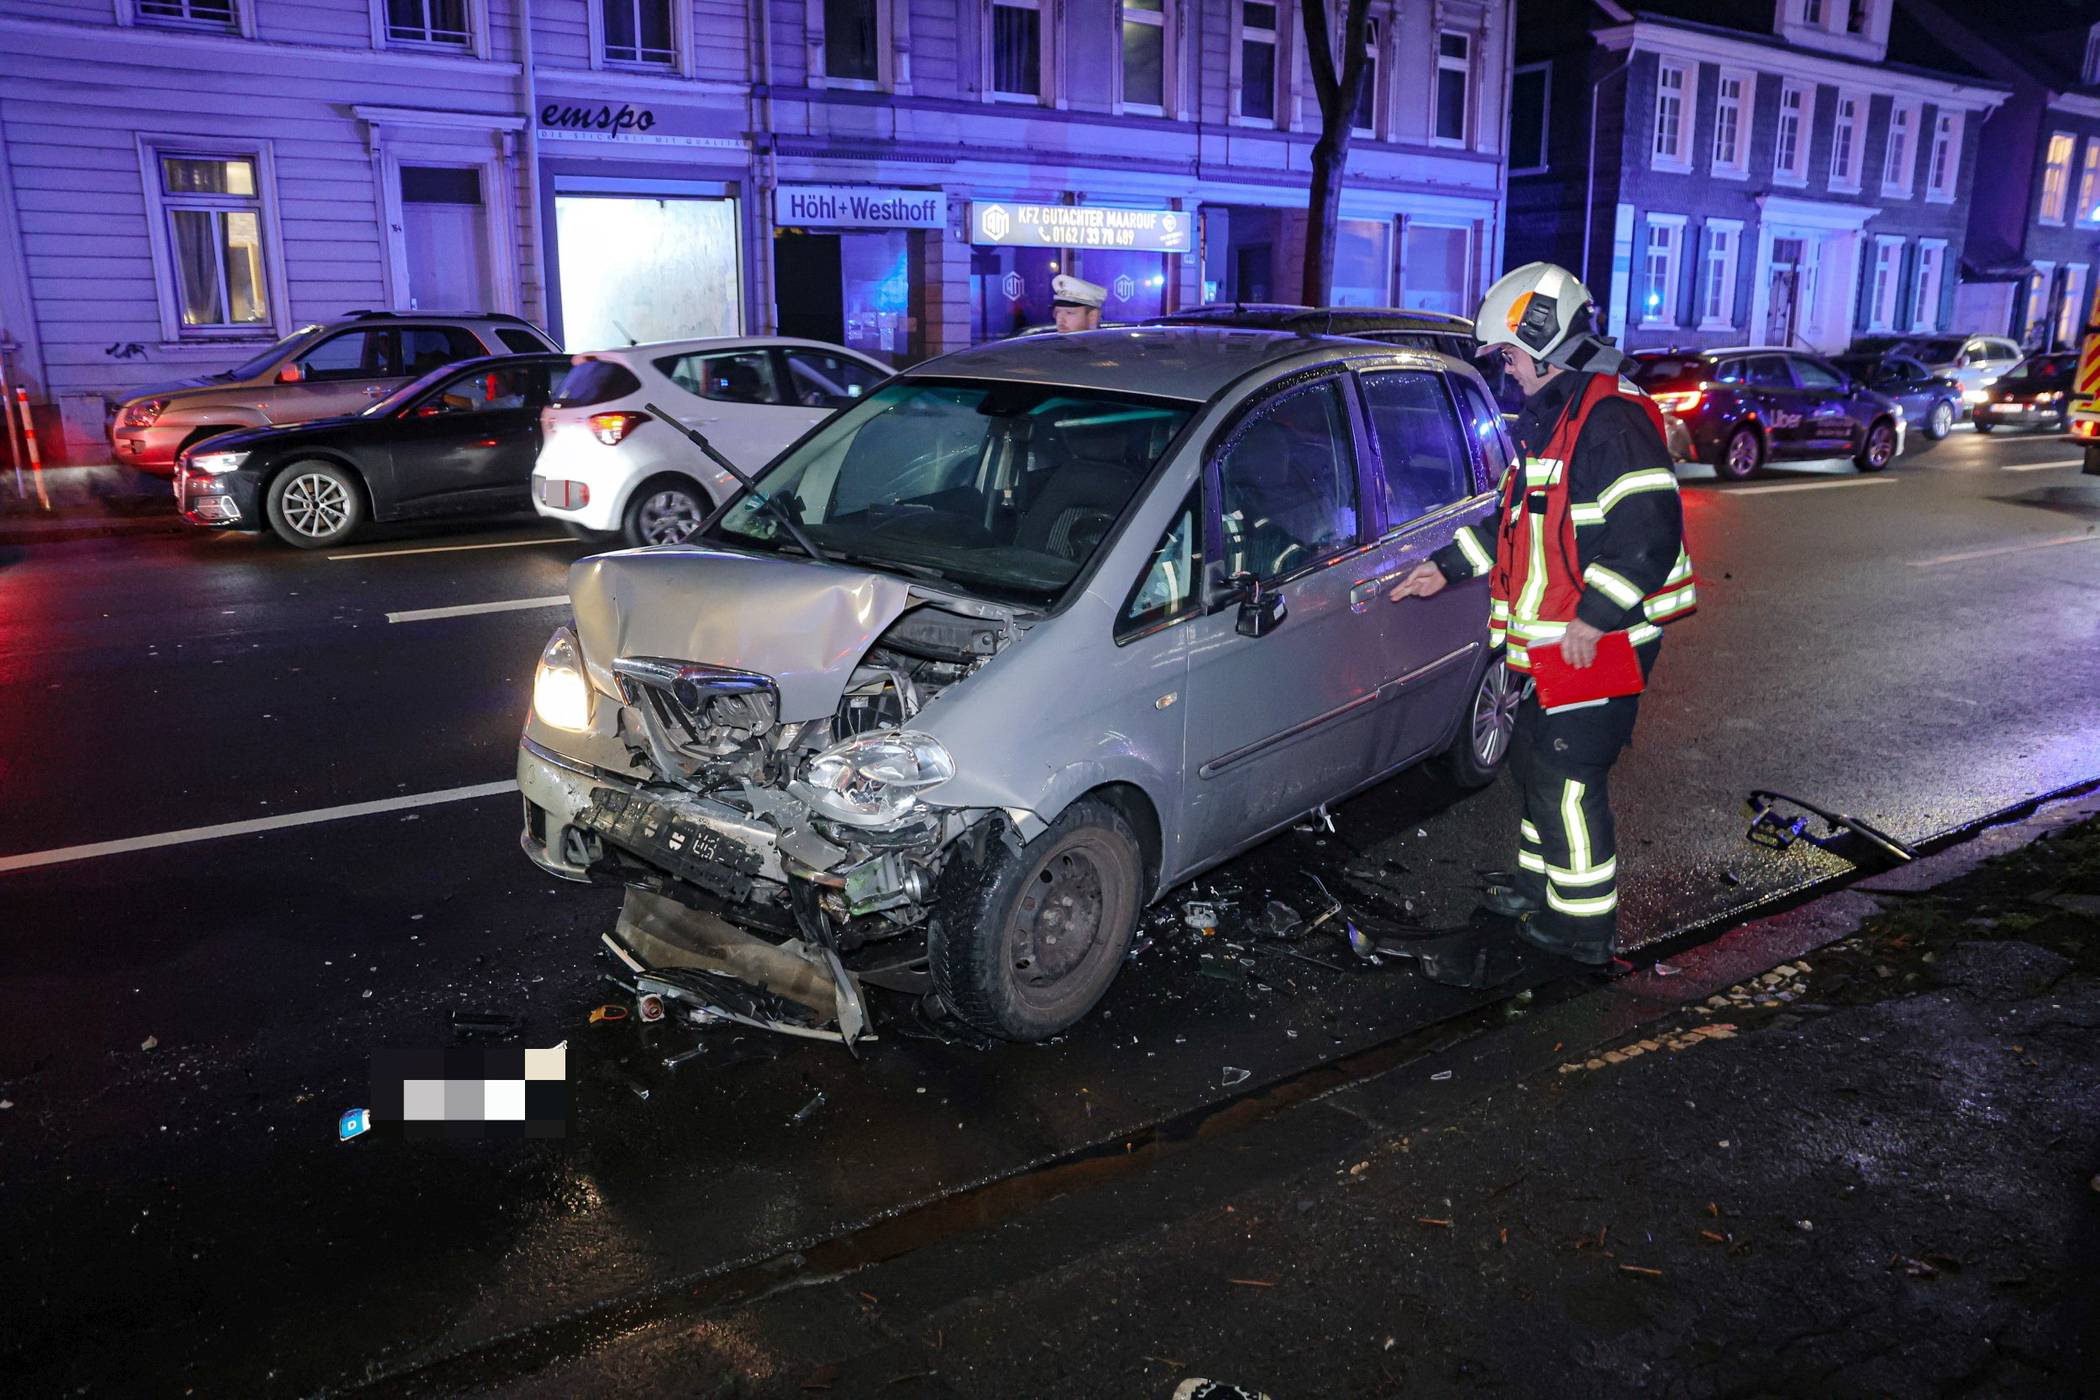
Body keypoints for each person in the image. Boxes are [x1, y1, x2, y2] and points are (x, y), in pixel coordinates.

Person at [1389, 262, 1695, 966]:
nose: (1506, 370)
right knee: (1534, 767)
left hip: (1598, 642)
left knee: (1566, 781)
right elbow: (1513, 520)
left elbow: (1649, 533)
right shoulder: (1557, 416)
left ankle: (1584, 925)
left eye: (1508, 355)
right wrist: (1445, 567)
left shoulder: (1609, 420)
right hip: (1560, 642)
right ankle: (1540, 886)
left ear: (1545, 343)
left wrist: (1594, 618)